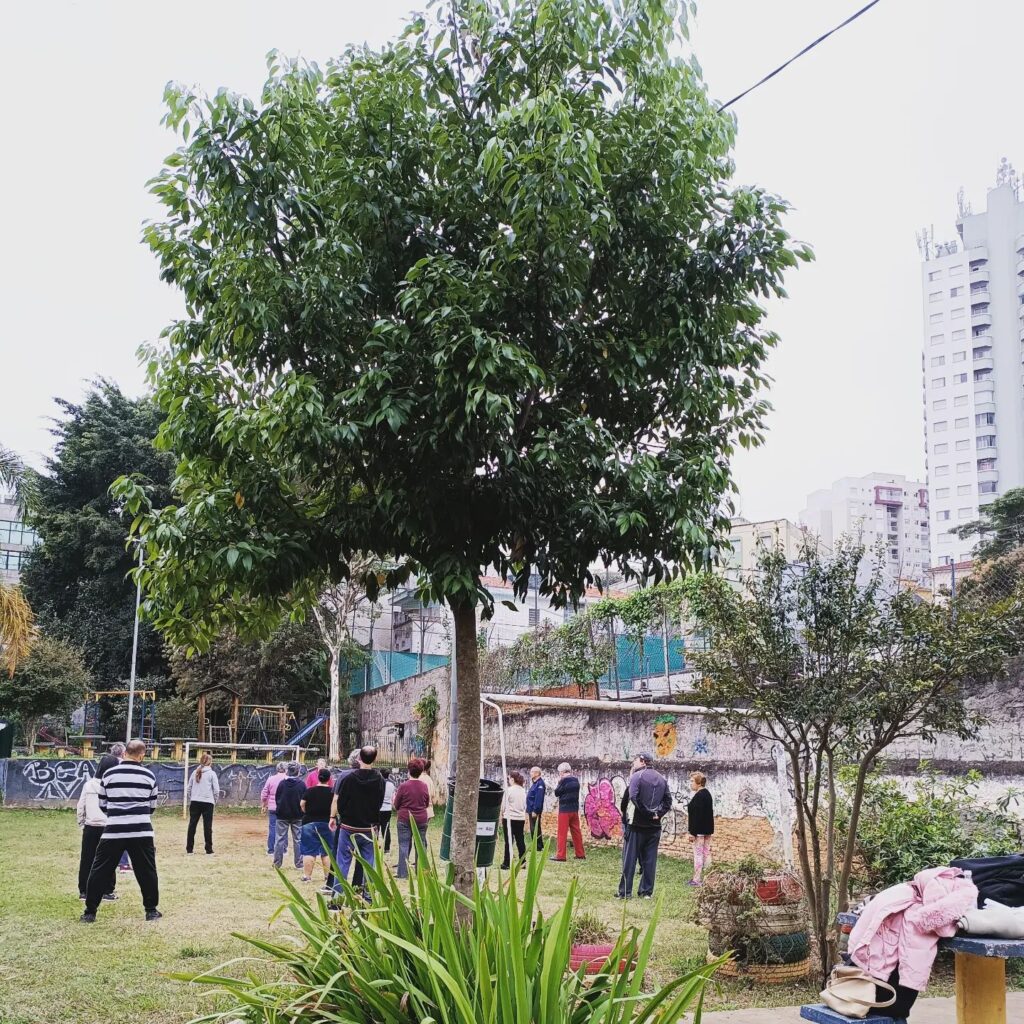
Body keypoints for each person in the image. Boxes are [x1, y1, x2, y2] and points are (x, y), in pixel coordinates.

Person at [81, 739, 160, 923]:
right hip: (141, 831)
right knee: (147, 870)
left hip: (113, 830)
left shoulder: (108, 775)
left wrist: (117, 815)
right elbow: (152, 807)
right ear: (142, 755)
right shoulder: (149, 776)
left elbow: (103, 804)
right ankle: (151, 911)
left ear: (124, 754)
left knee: (99, 869)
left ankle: (90, 912)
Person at [329, 746, 385, 895]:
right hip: (369, 828)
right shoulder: (379, 779)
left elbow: (340, 801)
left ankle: (337, 898)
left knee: (342, 863)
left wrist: (337, 816)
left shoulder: (348, 778)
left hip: (349, 827)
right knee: (369, 864)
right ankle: (368, 897)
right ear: (375, 759)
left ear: (359, 758)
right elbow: (379, 802)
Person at [616, 753, 672, 899]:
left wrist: (647, 812)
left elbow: (633, 797)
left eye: (635, 760)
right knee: (650, 861)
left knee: (630, 859)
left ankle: (625, 892)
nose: (633, 763)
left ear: (641, 761)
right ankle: (646, 892)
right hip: (654, 826)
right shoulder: (661, 778)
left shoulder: (637, 776)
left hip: (637, 825)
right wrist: (657, 814)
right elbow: (668, 801)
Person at [76, 772, 117, 902]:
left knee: (87, 859)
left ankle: (84, 891)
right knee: (109, 859)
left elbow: (81, 805)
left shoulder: (88, 785)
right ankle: (107, 891)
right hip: (107, 826)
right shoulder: (112, 785)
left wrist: (81, 822)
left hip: (90, 826)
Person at [392, 756, 431, 879]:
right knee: (421, 844)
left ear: (409, 770)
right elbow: (426, 803)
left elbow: (396, 804)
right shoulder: (424, 786)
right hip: (421, 819)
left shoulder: (403, 786)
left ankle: (403, 873)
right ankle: (421, 872)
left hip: (404, 819)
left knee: (404, 844)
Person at [97, 743, 132, 874]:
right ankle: (123, 864)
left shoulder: (106, 763)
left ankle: (118, 863)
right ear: (123, 753)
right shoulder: (124, 766)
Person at [299, 768, 334, 886]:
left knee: (309, 851)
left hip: (309, 822)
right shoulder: (332, 792)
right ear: (329, 779)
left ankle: (307, 876)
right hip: (328, 823)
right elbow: (336, 805)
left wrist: (307, 812)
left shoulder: (310, 791)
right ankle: (327, 876)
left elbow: (302, 804)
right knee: (328, 851)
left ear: (318, 777)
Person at [185, 752, 221, 855]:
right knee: (207, 826)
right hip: (208, 803)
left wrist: (192, 797)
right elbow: (216, 790)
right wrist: (214, 800)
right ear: (210, 762)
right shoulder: (212, 774)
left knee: (192, 825)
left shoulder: (195, 772)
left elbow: (189, 788)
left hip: (195, 802)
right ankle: (208, 850)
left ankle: (189, 849)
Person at [272, 762, 305, 870]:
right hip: (298, 815)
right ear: (298, 771)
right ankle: (299, 864)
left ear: (288, 771)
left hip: (282, 815)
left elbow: (277, 798)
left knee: (279, 839)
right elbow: (304, 800)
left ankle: (277, 864)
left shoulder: (282, 784)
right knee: (298, 840)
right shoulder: (302, 784)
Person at [552, 762, 585, 861]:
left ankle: (561, 855)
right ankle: (580, 854)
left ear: (562, 772)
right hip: (574, 809)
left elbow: (557, 793)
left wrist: (558, 782)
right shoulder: (576, 780)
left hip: (564, 810)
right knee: (576, 832)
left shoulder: (563, 781)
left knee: (562, 833)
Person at [686, 771, 714, 886]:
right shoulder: (707, 794)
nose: (690, 783)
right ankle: (710, 878)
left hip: (699, 832)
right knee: (706, 853)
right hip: (707, 830)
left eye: (692, 781)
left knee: (698, 854)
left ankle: (697, 879)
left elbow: (696, 817)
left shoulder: (699, 796)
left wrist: (692, 832)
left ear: (698, 783)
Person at [500, 770, 528, 870]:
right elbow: (525, 805)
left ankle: (507, 862)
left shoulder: (509, 790)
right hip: (520, 818)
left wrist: (502, 814)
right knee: (520, 840)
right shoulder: (523, 791)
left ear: (512, 779)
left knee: (509, 841)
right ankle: (523, 861)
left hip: (509, 818)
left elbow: (503, 806)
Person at [260, 762, 288, 855]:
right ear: (286, 769)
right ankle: (283, 849)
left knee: (272, 828)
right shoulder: (288, 779)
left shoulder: (271, 779)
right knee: (284, 828)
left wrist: (264, 804)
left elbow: (264, 793)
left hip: (272, 807)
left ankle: (271, 850)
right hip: (284, 807)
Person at [526, 766, 546, 851]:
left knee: (535, 828)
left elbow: (539, 798)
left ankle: (537, 846)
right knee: (534, 828)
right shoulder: (535, 783)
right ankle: (539, 845)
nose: (530, 773)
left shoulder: (540, 784)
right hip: (531, 809)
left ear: (537, 773)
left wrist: (535, 810)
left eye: (532, 772)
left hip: (534, 810)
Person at [379, 768, 396, 854]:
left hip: (378, 808)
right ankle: (387, 848)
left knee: (375, 828)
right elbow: (393, 797)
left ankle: (375, 844)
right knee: (386, 828)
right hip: (387, 808)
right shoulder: (391, 785)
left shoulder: (378, 783)